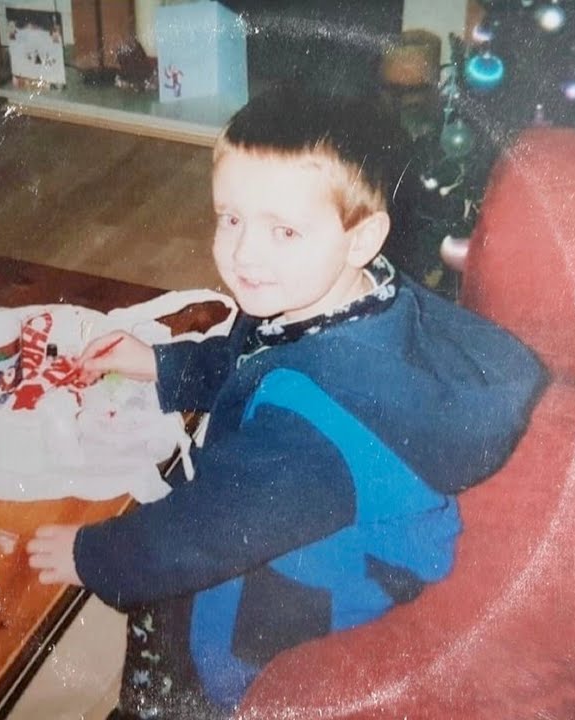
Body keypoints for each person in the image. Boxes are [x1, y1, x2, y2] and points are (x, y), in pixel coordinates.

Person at [27, 86, 547, 720]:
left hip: (292, 599)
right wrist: (161, 365)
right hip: (294, 508)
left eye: (285, 230)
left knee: (174, 626)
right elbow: (255, 357)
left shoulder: (314, 426)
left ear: (361, 238)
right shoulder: (344, 294)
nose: (245, 252)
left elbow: (204, 533)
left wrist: (90, 556)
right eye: (230, 218)